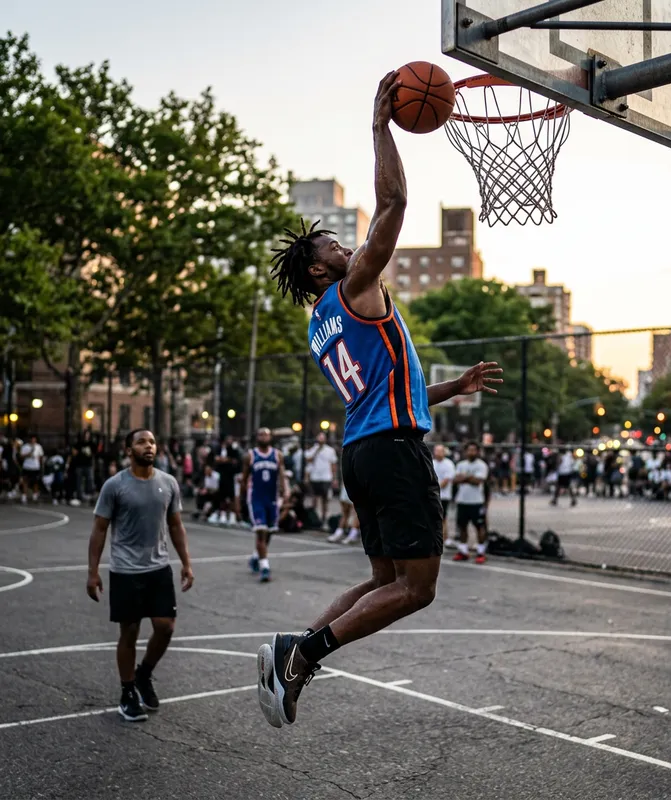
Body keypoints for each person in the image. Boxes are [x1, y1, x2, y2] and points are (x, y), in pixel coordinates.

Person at [260, 71, 502, 729]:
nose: (346, 246)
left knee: (381, 579)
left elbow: (390, 390)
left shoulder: (320, 323)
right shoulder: (354, 286)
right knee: (417, 590)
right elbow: (394, 203)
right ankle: (305, 652)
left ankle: (292, 653)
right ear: (319, 271)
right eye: (332, 246)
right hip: (392, 453)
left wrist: (451, 388)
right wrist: (380, 126)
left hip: (362, 450)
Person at [87, 428, 194, 722]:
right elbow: (99, 529)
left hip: (158, 568)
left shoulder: (168, 482)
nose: (148, 446)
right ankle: (127, 691)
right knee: (129, 632)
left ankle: (144, 674)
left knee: (166, 627)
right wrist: (92, 572)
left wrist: (186, 562)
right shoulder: (115, 486)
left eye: (152, 441)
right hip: (125, 570)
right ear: (128, 449)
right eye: (141, 442)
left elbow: (175, 526)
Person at [238, 428, 288, 583]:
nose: (263, 436)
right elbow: (245, 478)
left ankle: (255, 556)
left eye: (266, 434)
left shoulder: (277, 455)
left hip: (271, 499)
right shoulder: (250, 456)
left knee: (269, 532)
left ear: (270, 437)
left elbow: (282, 474)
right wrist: (240, 499)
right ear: (257, 437)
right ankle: (264, 567)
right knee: (261, 532)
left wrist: (285, 490)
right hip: (256, 499)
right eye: (260, 434)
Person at [452, 442, 490, 564]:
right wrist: (469, 478)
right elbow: (456, 479)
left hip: (476, 501)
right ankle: (463, 551)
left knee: (479, 527)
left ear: (478, 452)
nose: (471, 452)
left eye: (474, 450)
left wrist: (464, 477)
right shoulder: (460, 464)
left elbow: (478, 481)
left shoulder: (482, 465)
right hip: (462, 500)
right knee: (462, 526)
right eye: (469, 450)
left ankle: (480, 552)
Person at [304, 432, 338, 525]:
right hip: (315, 477)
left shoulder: (330, 450)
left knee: (325, 499)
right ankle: (314, 518)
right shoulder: (313, 449)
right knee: (314, 498)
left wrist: (334, 478)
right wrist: (316, 450)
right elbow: (308, 460)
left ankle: (324, 518)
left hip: (326, 477)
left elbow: (333, 465)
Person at [432, 444, 457, 550]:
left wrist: (433, 488)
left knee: (442, 518)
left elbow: (447, 480)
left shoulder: (448, 464)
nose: (437, 453)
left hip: (444, 496)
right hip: (432, 496)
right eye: (436, 451)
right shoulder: (432, 462)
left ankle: (444, 539)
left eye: (440, 451)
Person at [19, 434, 45, 503]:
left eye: (34, 439)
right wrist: (28, 454)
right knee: (25, 481)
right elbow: (21, 456)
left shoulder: (38, 447)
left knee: (35, 481)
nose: (33, 440)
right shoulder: (25, 447)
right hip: (27, 466)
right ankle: (24, 496)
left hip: (35, 467)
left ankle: (35, 496)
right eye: (32, 439)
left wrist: (41, 465)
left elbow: (41, 456)